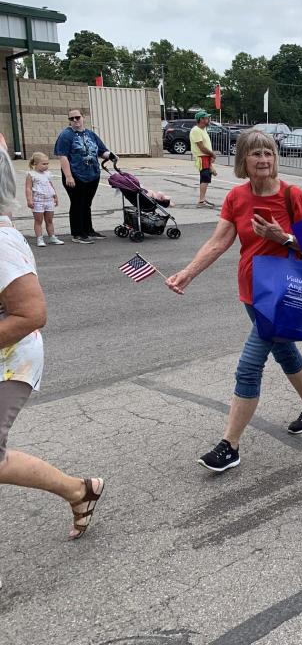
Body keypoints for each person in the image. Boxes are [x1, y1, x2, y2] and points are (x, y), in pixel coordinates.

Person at [166, 129, 302, 472]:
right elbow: (218, 242)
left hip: (283, 296)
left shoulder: (292, 195)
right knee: (284, 351)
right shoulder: (237, 198)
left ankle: (230, 445)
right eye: (255, 154)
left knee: (249, 367)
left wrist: (281, 236)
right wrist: (188, 273)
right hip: (251, 293)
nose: (263, 160)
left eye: (268, 153)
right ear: (243, 160)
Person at [0, 135, 105, 568]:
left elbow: (31, 314)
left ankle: (78, 490)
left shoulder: (1, 243)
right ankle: (79, 490)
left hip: (11, 361)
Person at [54, 108, 115, 244]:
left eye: (77, 117)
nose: (75, 120)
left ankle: (88, 230)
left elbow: (101, 151)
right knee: (77, 203)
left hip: (92, 175)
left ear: (83, 117)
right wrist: (68, 176)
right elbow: (62, 156)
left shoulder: (90, 134)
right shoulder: (66, 135)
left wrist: (110, 155)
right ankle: (77, 233)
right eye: (72, 118)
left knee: (87, 204)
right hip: (75, 175)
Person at [25, 152, 64, 247]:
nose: (46, 166)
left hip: (49, 200)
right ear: (35, 164)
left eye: (47, 163)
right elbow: (28, 188)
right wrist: (29, 200)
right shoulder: (31, 174)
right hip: (38, 200)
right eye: (43, 164)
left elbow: (50, 185)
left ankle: (52, 237)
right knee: (38, 221)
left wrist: (55, 196)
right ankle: (39, 238)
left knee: (49, 220)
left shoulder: (48, 174)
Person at [190, 110, 218, 208]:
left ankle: (203, 198)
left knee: (207, 177)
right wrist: (213, 154)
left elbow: (206, 145)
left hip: (206, 157)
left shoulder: (203, 129)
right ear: (201, 119)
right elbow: (201, 147)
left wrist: (211, 157)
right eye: (206, 118)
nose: (208, 119)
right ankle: (201, 201)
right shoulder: (196, 130)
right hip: (202, 157)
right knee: (205, 178)